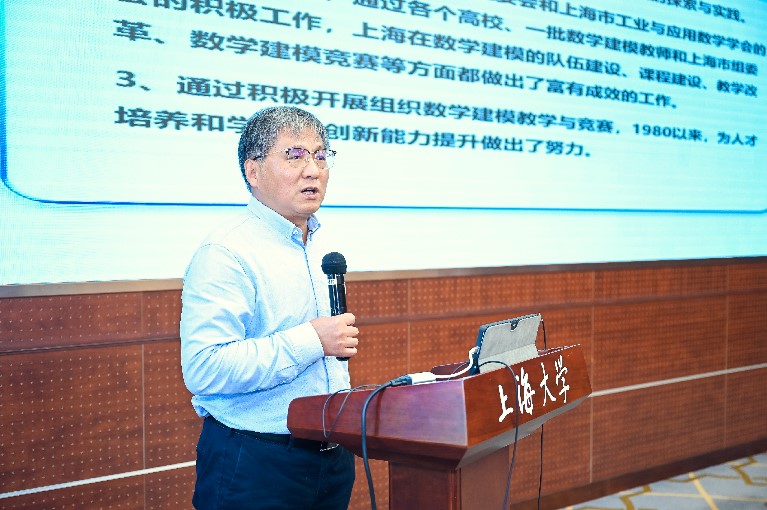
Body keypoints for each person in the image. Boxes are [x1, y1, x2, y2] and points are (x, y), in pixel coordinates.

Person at [180, 106, 359, 510]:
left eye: (321, 155)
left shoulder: (319, 246)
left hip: (332, 456)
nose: (313, 170)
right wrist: (312, 340)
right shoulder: (226, 252)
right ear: (253, 172)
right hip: (256, 462)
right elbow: (205, 367)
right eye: (294, 155)